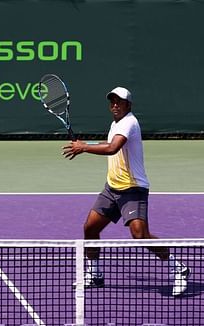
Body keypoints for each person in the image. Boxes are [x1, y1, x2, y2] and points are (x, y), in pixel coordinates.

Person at [62, 86, 190, 296]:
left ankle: (178, 269)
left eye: (118, 102)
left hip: (132, 189)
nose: (114, 105)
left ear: (127, 105)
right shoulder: (116, 123)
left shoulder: (130, 122)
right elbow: (109, 143)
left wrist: (84, 147)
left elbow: (113, 148)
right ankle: (94, 274)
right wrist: (87, 144)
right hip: (112, 188)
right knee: (90, 229)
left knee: (140, 235)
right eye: (112, 102)